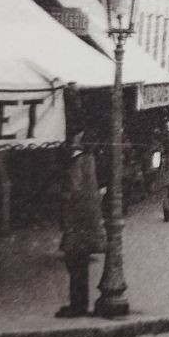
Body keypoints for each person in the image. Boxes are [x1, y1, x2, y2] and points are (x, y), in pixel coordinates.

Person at [58, 133, 105, 318]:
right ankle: (79, 304)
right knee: (79, 264)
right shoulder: (89, 160)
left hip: (78, 223)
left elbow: (74, 191)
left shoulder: (77, 163)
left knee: (75, 263)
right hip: (86, 221)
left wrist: (62, 196)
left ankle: (78, 306)